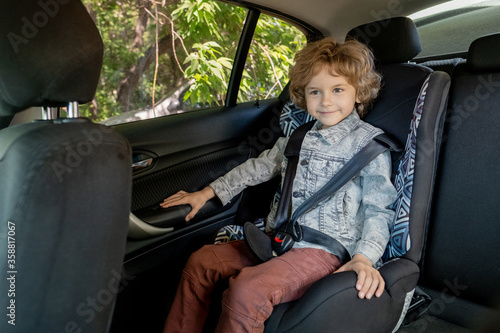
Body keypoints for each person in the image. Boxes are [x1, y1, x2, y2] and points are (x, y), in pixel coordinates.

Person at [161, 37, 397, 333]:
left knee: (247, 290)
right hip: (278, 238)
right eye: (315, 91)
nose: (326, 101)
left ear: (358, 93)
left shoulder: (369, 147)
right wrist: (209, 192)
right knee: (202, 261)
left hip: (323, 251)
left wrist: (364, 258)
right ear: (303, 95)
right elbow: (257, 167)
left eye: (338, 90)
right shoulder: (297, 138)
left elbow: (379, 209)